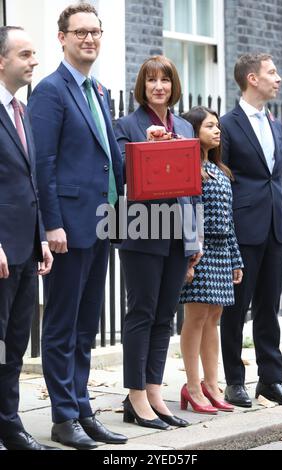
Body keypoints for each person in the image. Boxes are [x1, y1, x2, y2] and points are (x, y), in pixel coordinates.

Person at [27, 3, 127, 449]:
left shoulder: (99, 91)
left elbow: (108, 158)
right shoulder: (50, 91)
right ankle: (63, 416)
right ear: (62, 38)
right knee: (63, 325)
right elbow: (42, 164)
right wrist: (51, 224)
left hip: (102, 223)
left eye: (96, 32)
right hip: (68, 228)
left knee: (87, 325)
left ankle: (83, 407)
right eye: (80, 32)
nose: (90, 39)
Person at [114, 55, 202, 430]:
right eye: (151, 81)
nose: (158, 87)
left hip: (178, 233)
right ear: (142, 86)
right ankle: (134, 396)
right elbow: (121, 175)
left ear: (173, 85)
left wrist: (194, 237)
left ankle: (153, 391)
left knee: (165, 316)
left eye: (164, 80)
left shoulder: (183, 125)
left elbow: (194, 188)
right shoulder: (126, 125)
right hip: (141, 230)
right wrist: (148, 148)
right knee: (142, 313)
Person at [220, 53, 282, 407]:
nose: (278, 78)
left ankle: (271, 380)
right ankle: (234, 381)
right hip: (243, 228)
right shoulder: (228, 124)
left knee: (269, 307)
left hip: (277, 229)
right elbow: (222, 178)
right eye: (272, 72)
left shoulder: (277, 124)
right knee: (235, 309)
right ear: (252, 79)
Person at [0, 26, 55, 450]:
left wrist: (39, 238)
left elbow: (31, 182)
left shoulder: (22, 111)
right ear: (1, 61)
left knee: (15, 343)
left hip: (25, 249)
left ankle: (9, 422)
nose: (33, 61)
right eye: (25, 54)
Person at [179, 106, 243, 414]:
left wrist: (236, 259)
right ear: (194, 131)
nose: (217, 131)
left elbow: (229, 221)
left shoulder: (221, 171)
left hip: (221, 252)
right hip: (199, 251)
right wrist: (189, 258)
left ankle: (212, 384)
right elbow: (187, 214)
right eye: (209, 126)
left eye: (218, 126)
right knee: (196, 318)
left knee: (214, 318)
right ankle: (192, 386)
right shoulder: (188, 168)